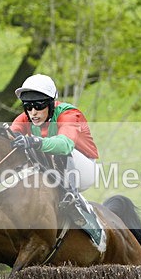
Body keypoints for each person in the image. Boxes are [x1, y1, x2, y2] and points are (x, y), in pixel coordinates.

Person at [9, 74, 98, 225]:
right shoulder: (25, 118)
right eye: (27, 106)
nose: (33, 112)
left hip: (83, 168)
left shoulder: (69, 114)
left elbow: (65, 145)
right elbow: (10, 138)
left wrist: (34, 141)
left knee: (54, 150)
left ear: (51, 103)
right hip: (53, 169)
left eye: (38, 106)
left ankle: (72, 199)